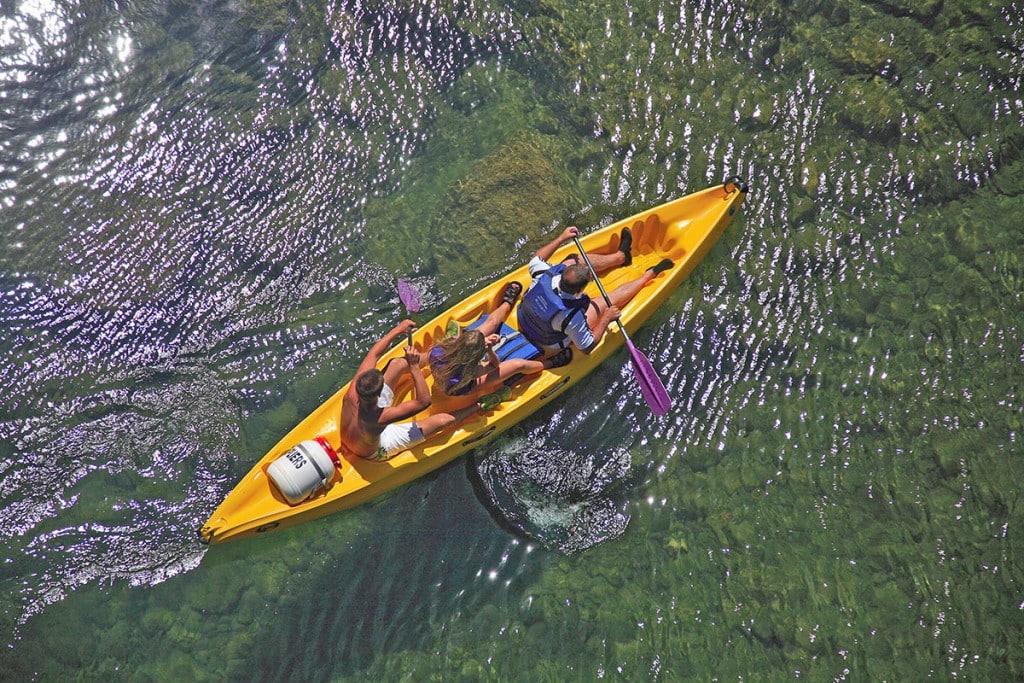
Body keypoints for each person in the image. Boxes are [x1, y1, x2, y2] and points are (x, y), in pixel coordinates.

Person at [518, 225, 673, 354]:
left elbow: (536, 259)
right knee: (603, 303)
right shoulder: (571, 317)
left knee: (575, 259)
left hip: (524, 318)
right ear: (579, 291)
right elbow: (587, 347)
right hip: (548, 340)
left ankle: (620, 257)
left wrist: (561, 238)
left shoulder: (543, 274)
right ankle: (649, 274)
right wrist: (606, 318)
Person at [340, 320, 480, 461]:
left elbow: (374, 353)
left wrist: (398, 329)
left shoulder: (353, 391)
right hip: (377, 448)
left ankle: (442, 355)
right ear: (378, 394)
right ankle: (479, 406)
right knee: (443, 421)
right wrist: (413, 365)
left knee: (396, 364)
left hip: (357, 431)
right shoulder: (380, 417)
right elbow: (424, 402)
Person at [428, 281, 573, 405]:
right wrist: (489, 350)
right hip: (463, 385)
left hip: (456, 367)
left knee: (490, 323)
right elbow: (493, 365)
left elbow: (464, 346)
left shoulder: (437, 351)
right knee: (518, 365)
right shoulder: (470, 373)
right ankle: (550, 363)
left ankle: (506, 304)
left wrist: (481, 341)